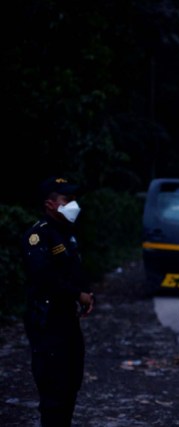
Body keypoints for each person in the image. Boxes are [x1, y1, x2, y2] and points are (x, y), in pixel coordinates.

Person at [21, 176, 95, 427]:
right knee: (54, 389)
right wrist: (77, 294)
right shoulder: (39, 235)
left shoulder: (67, 234)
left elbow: (74, 271)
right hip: (47, 320)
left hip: (66, 320)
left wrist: (86, 293)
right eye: (67, 199)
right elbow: (43, 277)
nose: (74, 204)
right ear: (50, 204)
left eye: (74, 199)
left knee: (70, 384)